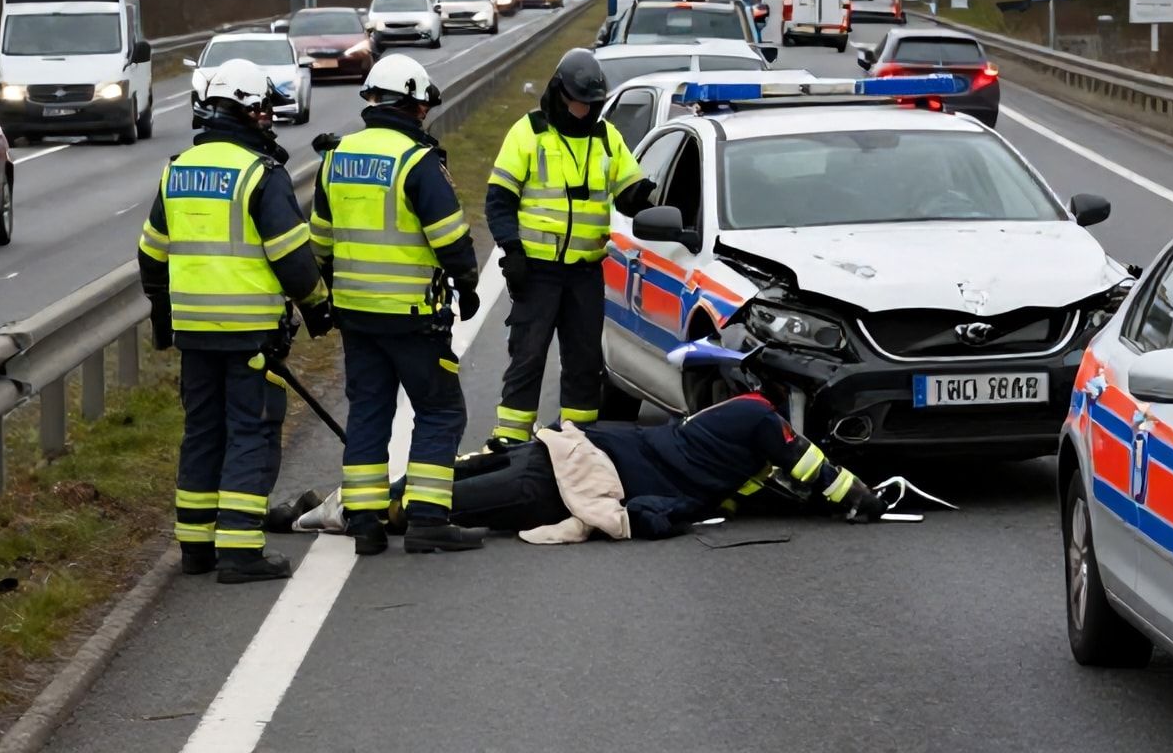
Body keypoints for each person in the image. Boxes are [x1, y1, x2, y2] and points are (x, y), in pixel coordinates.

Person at [268, 340, 890, 540]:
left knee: (441, 484)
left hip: (564, 458)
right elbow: (800, 462)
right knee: (444, 501)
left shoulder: (723, 444)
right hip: (566, 479)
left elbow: (753, 488)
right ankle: (329, 515)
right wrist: (855, 494)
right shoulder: (753, 419)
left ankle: (317, 510)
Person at [137, 58, 333, 584]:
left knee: (202, 432)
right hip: (250, 333)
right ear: (249, 111)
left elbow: (151, 252)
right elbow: (292, 255)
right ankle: (242, 549)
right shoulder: (260, 175)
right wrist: (318, 306)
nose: (269, 120)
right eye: (265, 110)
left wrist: (162, 314)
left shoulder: (177, 169)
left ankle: (196, 548)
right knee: (251, 432)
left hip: (194, 334)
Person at [309, 53, 487, 556]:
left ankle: (364, 522)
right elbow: (450, 235)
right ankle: (428, 518)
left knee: (368, 410)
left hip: (356, 315)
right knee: (439, 410)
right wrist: (467, 284)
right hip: (413, 317)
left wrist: (329, 291)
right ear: (414, 105)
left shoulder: (337, 157)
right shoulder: (417, 160)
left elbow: (320, 240)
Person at [485, 49, 655, 444]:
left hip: (584, 274)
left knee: (584, 364)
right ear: (560, 93)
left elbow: (628, 190)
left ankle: (578, 443)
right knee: (527, 358)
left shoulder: (607, 137)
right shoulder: (527, 133)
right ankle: (511, 442)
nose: (586, 111)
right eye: (581, 102)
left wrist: (647, 194)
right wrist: (511, 251)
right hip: (537, 272)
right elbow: (499, 200)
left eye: (593, 104)